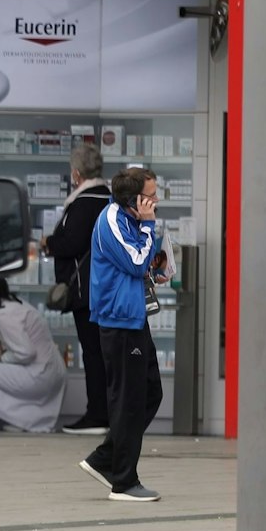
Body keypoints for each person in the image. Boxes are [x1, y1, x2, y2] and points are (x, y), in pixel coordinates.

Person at [78, 165, 169, 503]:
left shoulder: (132, 220)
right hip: (118, 321)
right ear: (135, 200)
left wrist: (157, 268)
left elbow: (142, 263)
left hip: (133, 317)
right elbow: (133, 262)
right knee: (128, 400)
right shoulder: (113, 220)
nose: (156, 200)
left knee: (150, 393)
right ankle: (123, 480)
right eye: (151, 195)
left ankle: (106, 458)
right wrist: (148, 227)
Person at [42, 142, 113, 432]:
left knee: (93, 352)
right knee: (102, 351)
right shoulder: (108, 198)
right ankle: (105, 412)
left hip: (86, 290)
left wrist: (49, 243)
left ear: (76, 173)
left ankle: (97, 415)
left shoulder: (84, 203)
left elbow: (72, 243)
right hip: (104, 287)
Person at [0, 276, 67, 432]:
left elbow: (26, 353)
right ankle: (29, 420)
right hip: (52, 371)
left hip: (39, 373)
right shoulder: (15, 305)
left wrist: (2, 358)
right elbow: (2, 344)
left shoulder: (3, 314)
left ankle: (23, 421)